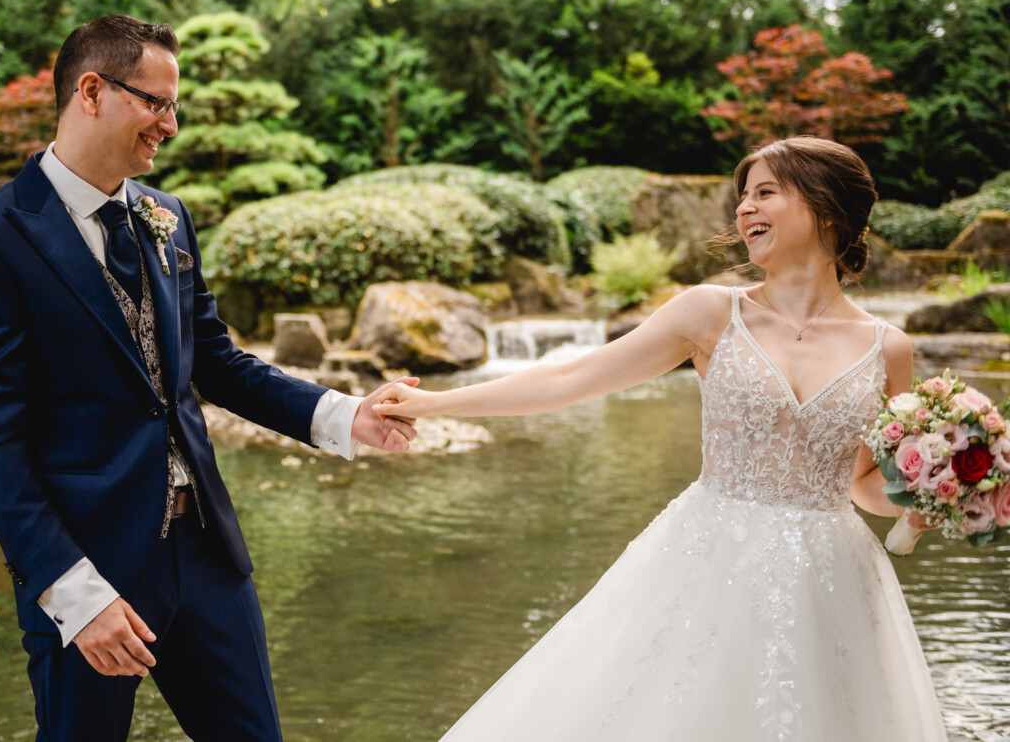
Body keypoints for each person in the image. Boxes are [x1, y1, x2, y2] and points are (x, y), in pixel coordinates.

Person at [0, 15, 417, 742]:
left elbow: (216, 362)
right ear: (91, 91)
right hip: (88, 570)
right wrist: (75, 594)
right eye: (156, 102)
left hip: (206, 556)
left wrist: (344, 415)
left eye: (174, 104)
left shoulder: (169, 217)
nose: (173, 123)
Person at [375, 136, 948, 741]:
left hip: (830, 579)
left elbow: (865, 483)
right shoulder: (709, 312)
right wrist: (435, 402)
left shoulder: (889, 348)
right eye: (743, 197)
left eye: (766, 193)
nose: (745, 210)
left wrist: (924, 500)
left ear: (827, 207)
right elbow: (571, 377)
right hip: (709, 560)